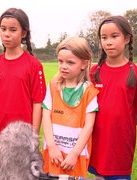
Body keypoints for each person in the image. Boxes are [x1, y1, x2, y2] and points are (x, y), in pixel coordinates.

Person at [0, 7, 47, 166]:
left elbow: (38, 103)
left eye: (12, 29)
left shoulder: (33, 65)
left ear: (23, 33)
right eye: (3, 29)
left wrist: (34, 134)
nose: (6, 34)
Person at [88, 16, 137, 180]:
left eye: (114, 36)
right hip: (97, 143)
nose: (108, 42)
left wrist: (118, 127)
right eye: (104, 37)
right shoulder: (94, 72)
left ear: (127, 38)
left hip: (121, 146)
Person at [41, 36, 99, 178]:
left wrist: (74, 154)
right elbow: (46, 117)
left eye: (70, 62)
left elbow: (88, 126)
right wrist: (52, 147)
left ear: (84, 64)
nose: (63, 66)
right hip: (54, 154)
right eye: (60, 61)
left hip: (75, 156)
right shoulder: (53, 86)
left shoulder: (89, 91)